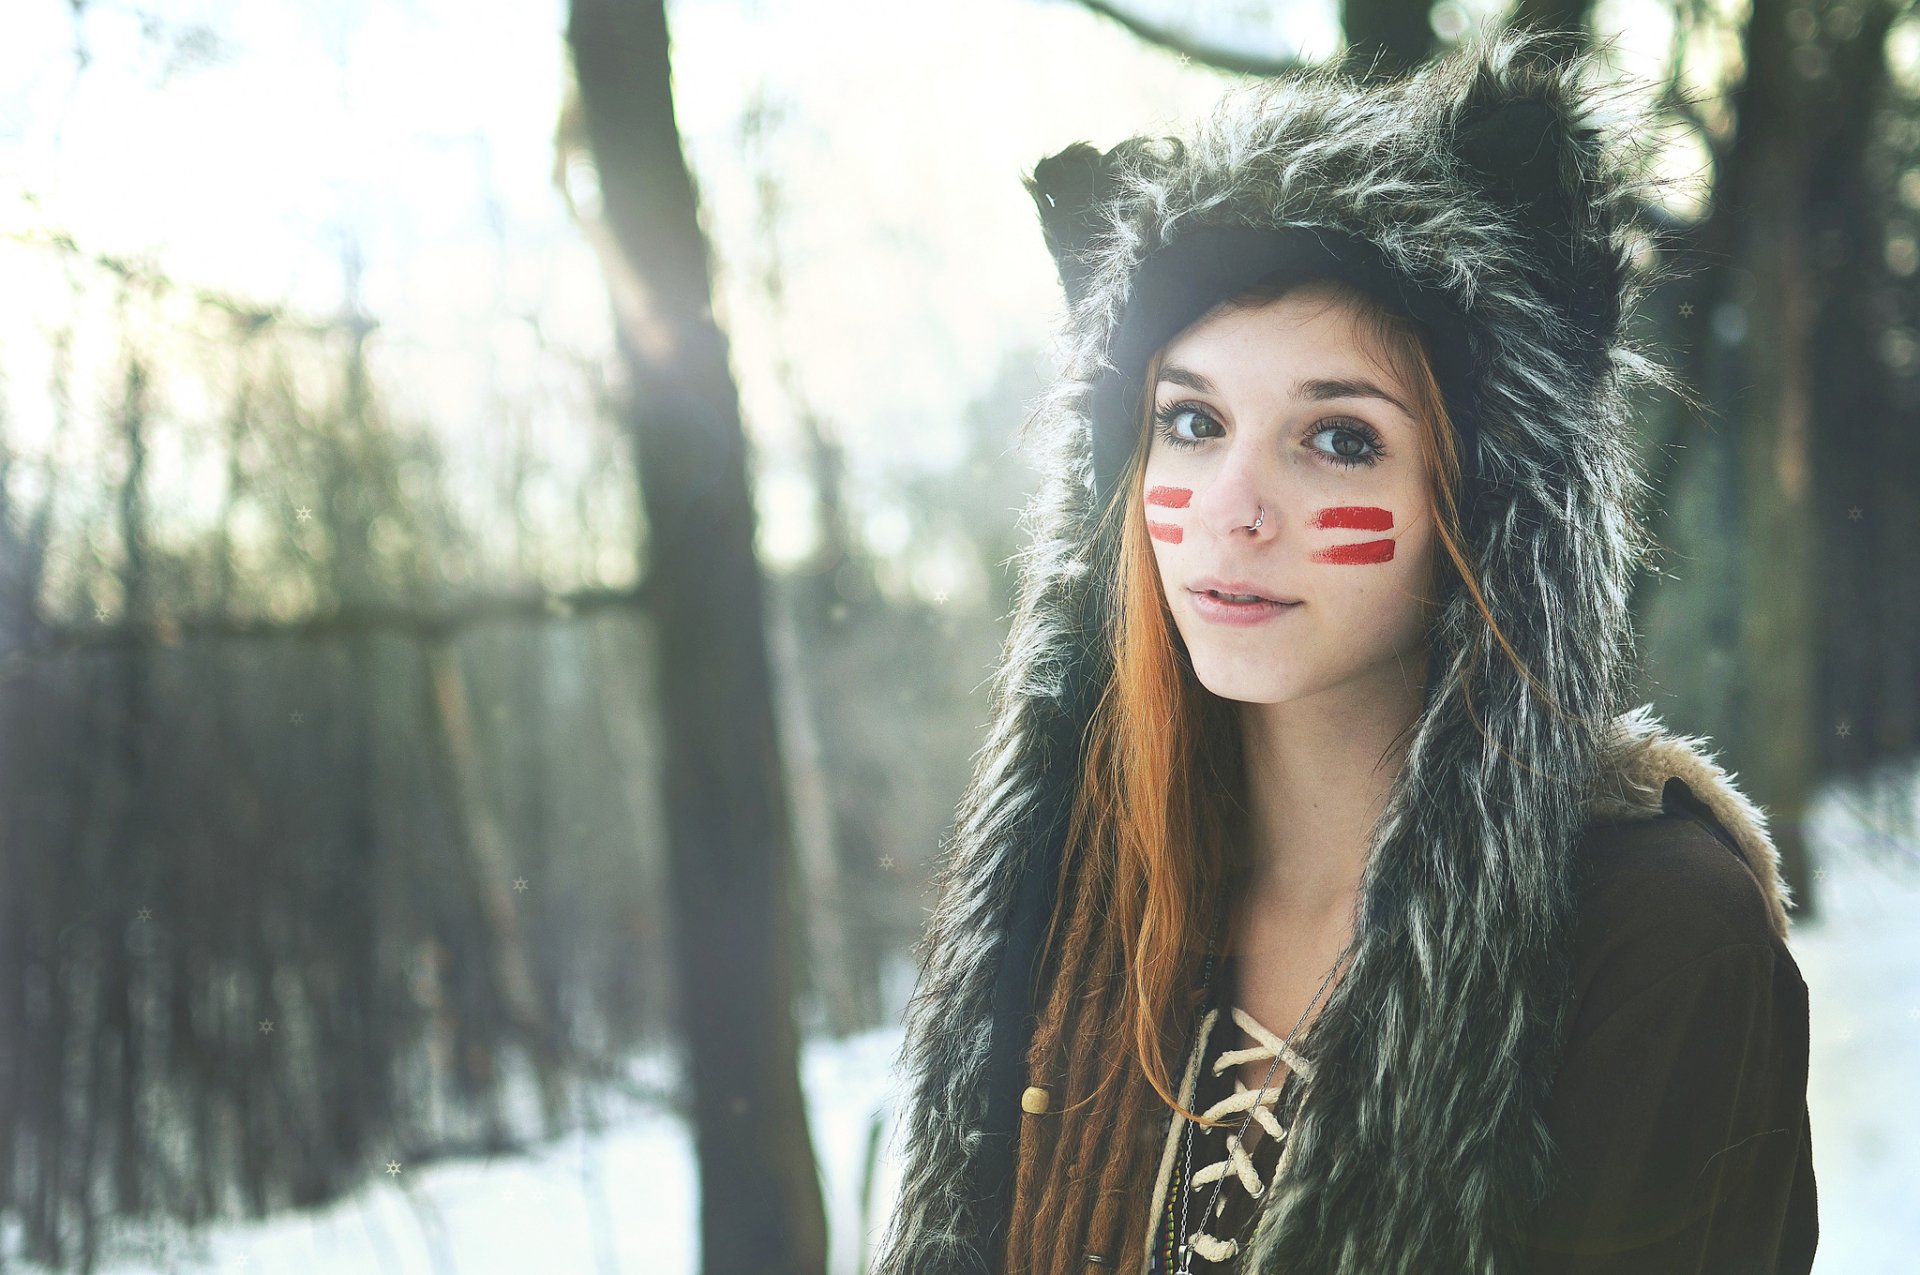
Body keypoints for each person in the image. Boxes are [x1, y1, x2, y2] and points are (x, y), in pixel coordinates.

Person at [870, 22, 1816, 1275]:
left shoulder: (1650, 934)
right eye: (1192, 421)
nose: (1232, 508)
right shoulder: (1074, 887)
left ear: (1481, 501)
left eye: (1338, 439)